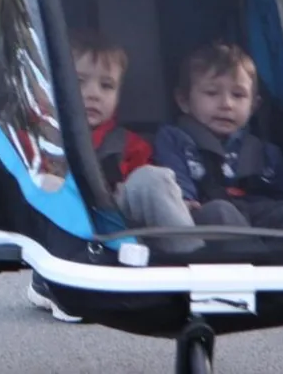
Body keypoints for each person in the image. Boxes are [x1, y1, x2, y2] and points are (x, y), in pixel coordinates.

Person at [26, 33, 199, 322]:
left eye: (106, 86)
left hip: (119, 219)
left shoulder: (129, 144)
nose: (93, 93)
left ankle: (193, 262)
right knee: (50, 181)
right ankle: (52, 278)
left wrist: (175, 200)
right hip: (63, 215)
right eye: (80, 82)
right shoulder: (44, 133)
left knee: (152, 180)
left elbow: (148, 191)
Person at [154, 41, 283, 230]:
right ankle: (257, 255)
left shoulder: (264, 151)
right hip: (204, 215)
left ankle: (270, 252)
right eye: (212, 93)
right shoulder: (174, 139)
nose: (227, 104)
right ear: (184, 101)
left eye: (238, 95)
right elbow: (174, 181)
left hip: (256, 214)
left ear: (253, 106)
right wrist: (185, 200)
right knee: (220, 211)